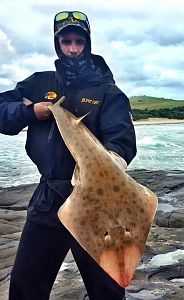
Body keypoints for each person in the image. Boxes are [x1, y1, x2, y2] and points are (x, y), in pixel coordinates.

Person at [0, 11, 136, 300]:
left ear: (88, 43)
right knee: (25, 287)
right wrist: (30, 112)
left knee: (108, 291)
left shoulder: (108, 92)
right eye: (66, 42)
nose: (73, 49)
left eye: (79, 41)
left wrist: (106, 163)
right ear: (57, 43)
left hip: (97, 204)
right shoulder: (38, 83)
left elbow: (123, 142)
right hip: (49, 197)